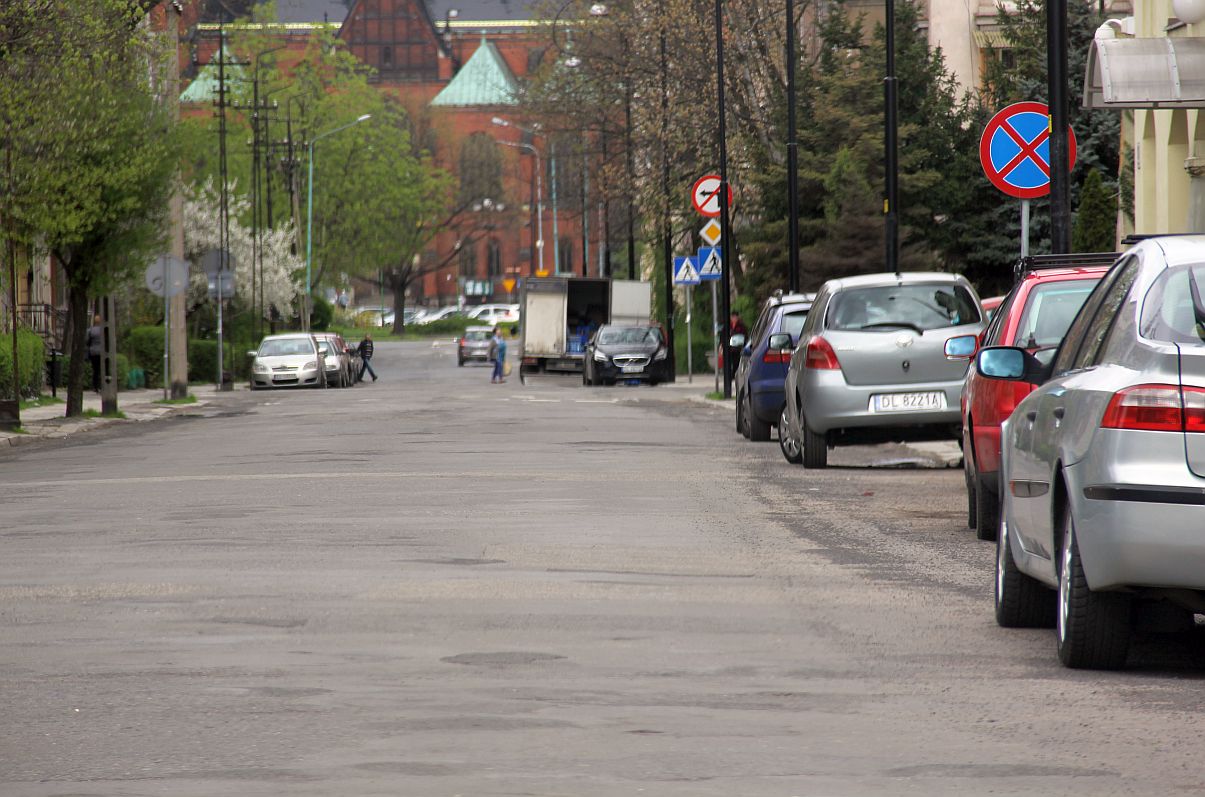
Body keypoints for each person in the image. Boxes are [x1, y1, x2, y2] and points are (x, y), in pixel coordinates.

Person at [85, 314, 103, 393]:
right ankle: (102, 385)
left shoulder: (90, 330)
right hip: (102, 352)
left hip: (93, 352)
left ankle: (95, 387)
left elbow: (87, 341)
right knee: (102, 370)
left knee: (95, 370)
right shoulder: (103, 330)